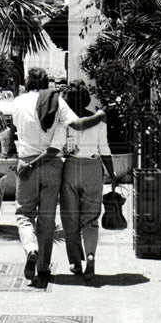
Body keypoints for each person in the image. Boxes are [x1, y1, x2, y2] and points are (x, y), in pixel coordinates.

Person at [8, 68, 107, 286]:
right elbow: (79, 124)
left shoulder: (16, 102)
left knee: (24, 214)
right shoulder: (56, 102)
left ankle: (30, 249)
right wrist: (100, 116)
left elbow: (11, 133)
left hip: (26, 163)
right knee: (47, 218)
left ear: (27, 82)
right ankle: (43, 266)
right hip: (52, 165)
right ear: (45, 84)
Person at [60, 80, 118, 277]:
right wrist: (112, 174)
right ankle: (91, 255)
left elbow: (60, 148)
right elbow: (105, 149)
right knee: (91, 218)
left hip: (71, 167)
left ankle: (76, 262)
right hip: (93, 168)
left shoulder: (65, 120)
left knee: (70, 218)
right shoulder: (98, 120)